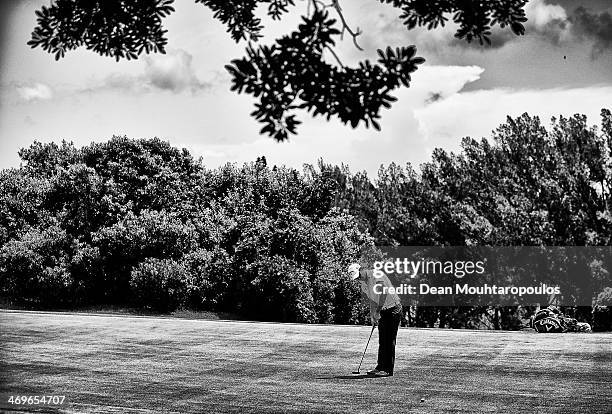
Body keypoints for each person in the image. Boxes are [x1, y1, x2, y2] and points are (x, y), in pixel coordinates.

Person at [348, 263, 403, 377]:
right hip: (382, 310)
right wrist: (373, 316)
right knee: (382, 340)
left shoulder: (376, 274)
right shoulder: (364, 284)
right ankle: (380, 367)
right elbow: (372, 300)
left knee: (389, 340)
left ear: (361, 271)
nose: (358, 279)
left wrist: (377, 312)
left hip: (393, 309)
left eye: (358, 276)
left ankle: (387, 370)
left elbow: (383, 293)